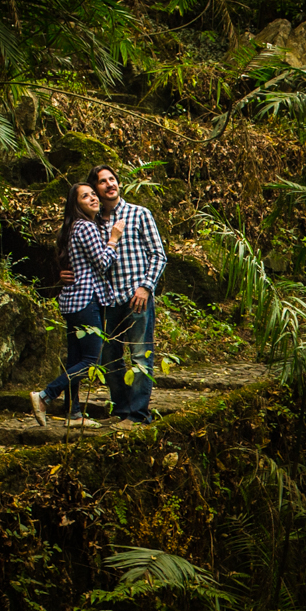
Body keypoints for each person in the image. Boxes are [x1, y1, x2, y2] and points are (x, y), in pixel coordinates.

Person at [33, 183, 124, 428]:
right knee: (91, 360)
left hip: (73, 302)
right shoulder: (85, 226)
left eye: (93, 194)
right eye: (86, 196)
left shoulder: (75, 227)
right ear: (77, 205)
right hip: (86, 301)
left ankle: (73, 415)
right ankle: (45, 396)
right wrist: (114, 239)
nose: (93, 198)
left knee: (75, 360)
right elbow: (103, 262)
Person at [86, 165, 166, 427]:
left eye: (112, 179)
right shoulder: (92, 223)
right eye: (102, 181)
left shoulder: (139, 214)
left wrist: (146, 286)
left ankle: (138, 414)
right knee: (109, 358)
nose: (109, 184)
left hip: (137, 299)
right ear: (95, 189)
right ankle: (121, 411)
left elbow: (158, 254)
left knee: (141, 355)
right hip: (106, 301)